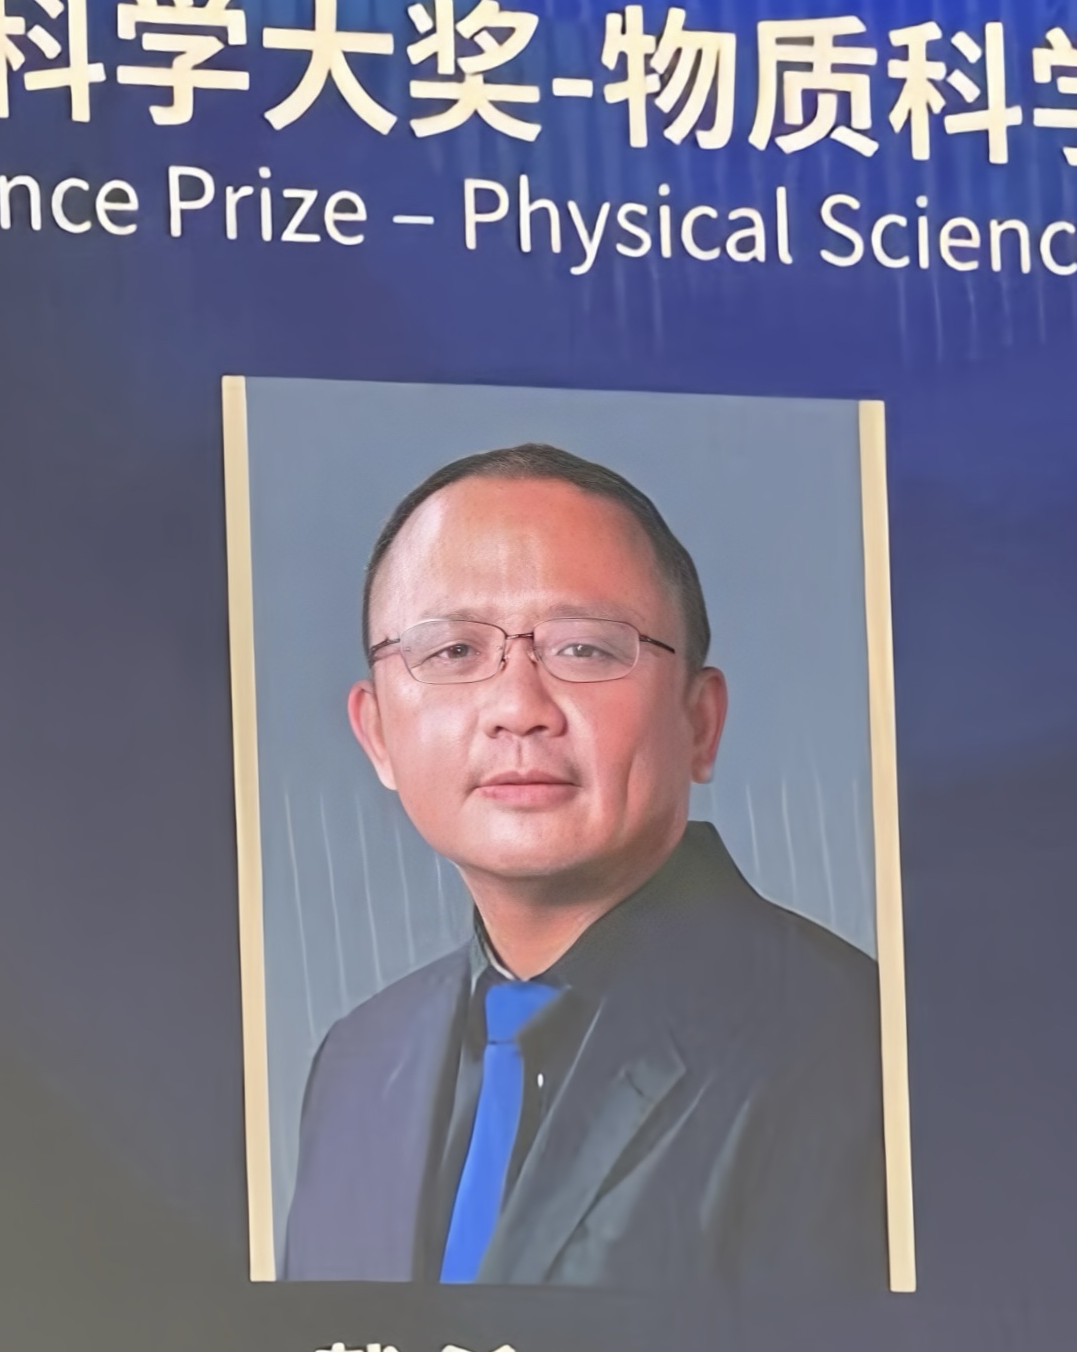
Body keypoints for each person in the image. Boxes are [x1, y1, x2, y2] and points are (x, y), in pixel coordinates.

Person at [281, 444, 886, 1291]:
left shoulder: (858, 1047)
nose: (519, 709)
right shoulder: (356, 1065)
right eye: (453, 651)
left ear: (700, 722)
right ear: (376, 733)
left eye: (587, 649)